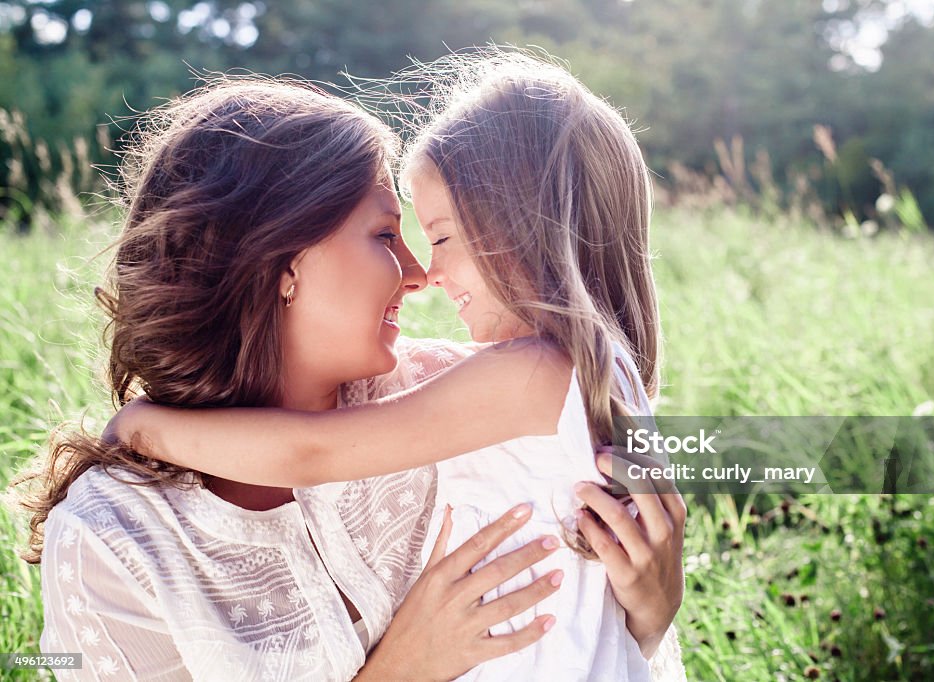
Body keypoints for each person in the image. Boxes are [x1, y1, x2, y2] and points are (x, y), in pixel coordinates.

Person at [16, 76, 685, 681]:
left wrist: (651, 609)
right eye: (384, 234)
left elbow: (314, 453)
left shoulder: (456, 396)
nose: (421, 273)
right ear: (280, 260)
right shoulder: (116, 541)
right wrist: (401, 670)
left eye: (434, 237)